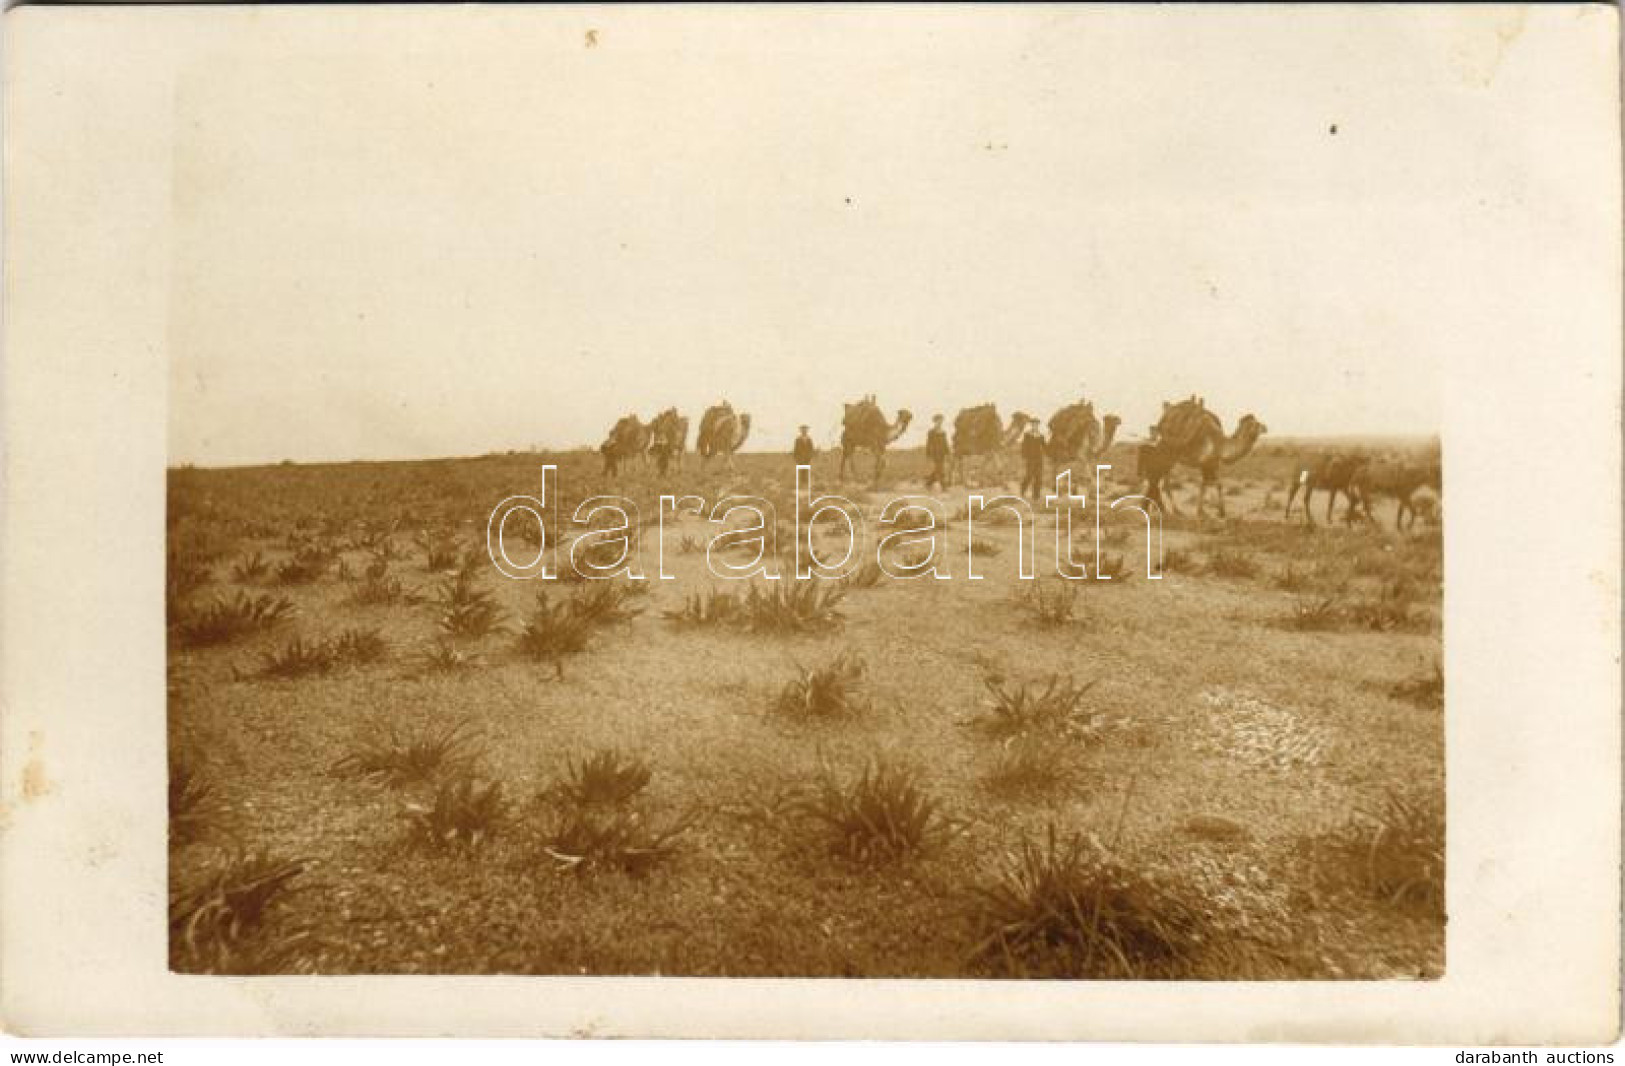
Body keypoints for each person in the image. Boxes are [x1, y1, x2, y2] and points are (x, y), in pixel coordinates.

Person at [1020, 424, 1046, 500]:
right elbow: (1024, 446)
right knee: (1029, 475)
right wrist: (1024, 456)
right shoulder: (1027, 435)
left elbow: (1044, 446)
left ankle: (1036, 496)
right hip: (1030, 459)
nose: (1035, 426)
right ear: (1032, 425)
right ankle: (1023, 490)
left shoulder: (1041, 436)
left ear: (1038, 426)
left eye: (1036, 425)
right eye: (1034, 425)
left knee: (1039, 477)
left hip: (1039, 459)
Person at [924, 414, 950, 490]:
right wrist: (928, 453)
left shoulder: (943, 432)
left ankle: (929, 483)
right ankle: (943, 486)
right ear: (934, 422)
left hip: (942, 453)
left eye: (941, 421)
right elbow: (929, 443)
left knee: (938, 469)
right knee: (940, 469)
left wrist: (947, 452)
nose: (939, 422)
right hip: (935, 453)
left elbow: (945, 443)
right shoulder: (931, 432)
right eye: (938, 421)